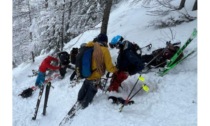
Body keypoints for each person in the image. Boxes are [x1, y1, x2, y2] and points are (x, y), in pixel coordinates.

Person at [77, 33, 117, 109]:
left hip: (87, 73)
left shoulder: (91, 46)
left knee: (85, 85)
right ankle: (84, 105)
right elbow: (109, 68)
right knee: (92, 90)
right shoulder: (104, 50)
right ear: (105, 41)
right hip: (95, 75)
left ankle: (79, 99)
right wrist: (115, 69)